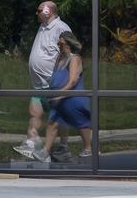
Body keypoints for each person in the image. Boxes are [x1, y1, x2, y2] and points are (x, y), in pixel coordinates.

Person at [13, 1, 71, 159]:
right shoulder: (43, 26)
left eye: (39, 11)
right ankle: (31, 143)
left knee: (59, 117)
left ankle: (63, 147)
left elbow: (68, 54)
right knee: (34, 113)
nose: (36, 13)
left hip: (53, 83)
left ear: (48, 12)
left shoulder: (61, 28)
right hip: (38, 84)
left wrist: (60, 77)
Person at [32, 31, 92, 162]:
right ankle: (45, 152)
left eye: (61, 41)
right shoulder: (59, 58)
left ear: (67, 43)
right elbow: (55, 76)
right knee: (52, 122)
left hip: (73, 98)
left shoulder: (74, 59)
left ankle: (89, 149)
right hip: (60, 99)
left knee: (81, 123)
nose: (58, 43)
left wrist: (60, 95)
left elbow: (72, 81)